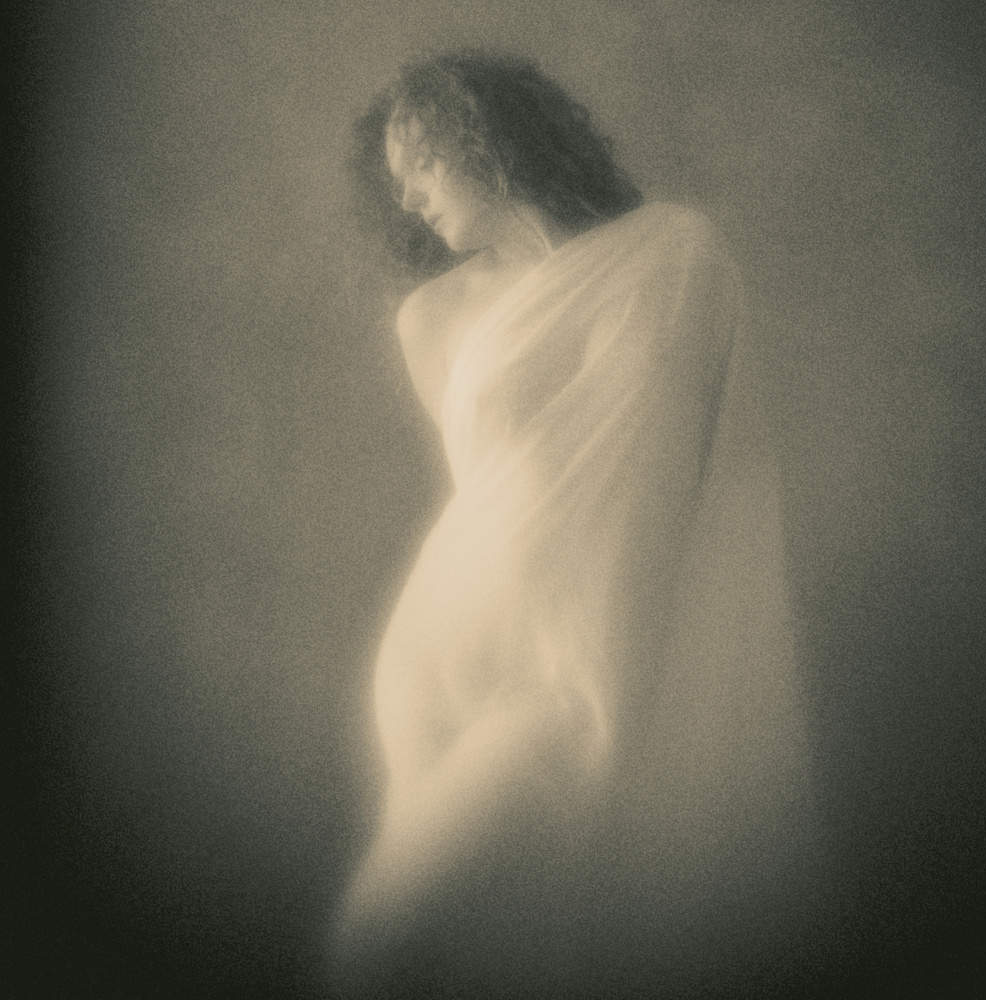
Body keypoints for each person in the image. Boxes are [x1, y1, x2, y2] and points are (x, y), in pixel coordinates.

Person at [336, 50, 819, 997]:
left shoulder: (676, 256)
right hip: (435, 666)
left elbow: (698, 477)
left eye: (421, 159)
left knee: (379, 943)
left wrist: (647, 666)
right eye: (395, 180)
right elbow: (491, 495)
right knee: (449, 959)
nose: (407, 194)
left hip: (569, 678)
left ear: (487, 133)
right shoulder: (429, 316)